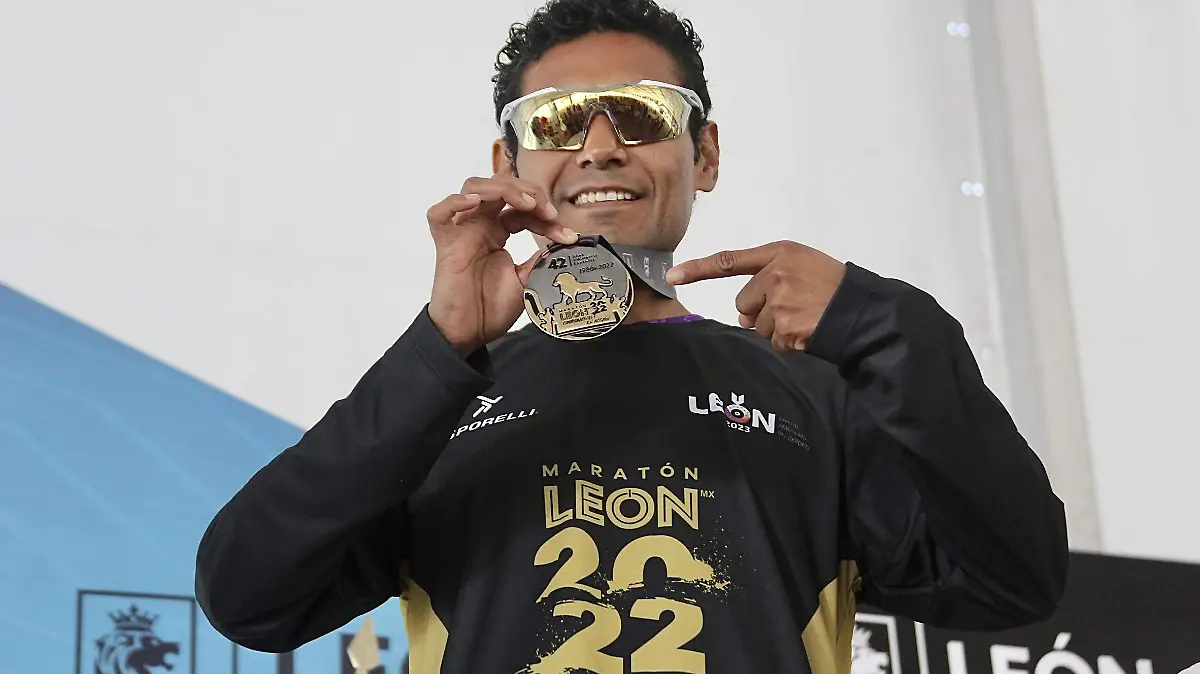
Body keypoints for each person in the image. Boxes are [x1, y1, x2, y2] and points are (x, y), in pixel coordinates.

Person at [194, 0, 1069, 672]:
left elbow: (1012, 582)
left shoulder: (816, 392)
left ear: (705, 154)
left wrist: (889, 326)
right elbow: (247, 595)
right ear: (508, 164)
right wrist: (439, 344)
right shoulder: (433, 398)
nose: (601, 146)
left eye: (642, 114)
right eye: (556, 120)